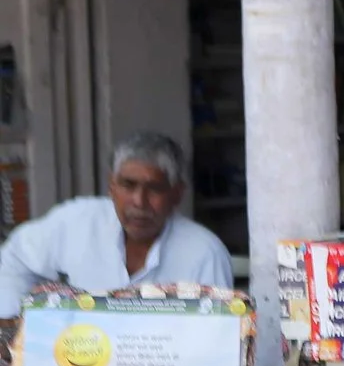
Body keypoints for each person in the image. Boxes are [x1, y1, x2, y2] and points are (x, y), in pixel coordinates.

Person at [0, 133, 234, 321]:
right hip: (83, 364)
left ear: (177, 194)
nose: (139, 202)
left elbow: (216, 340)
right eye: (128, 185)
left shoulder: (204, 254)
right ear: (111, 187)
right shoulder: (77, 221)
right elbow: (13, 260)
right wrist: (16, 325)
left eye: (154, 188)